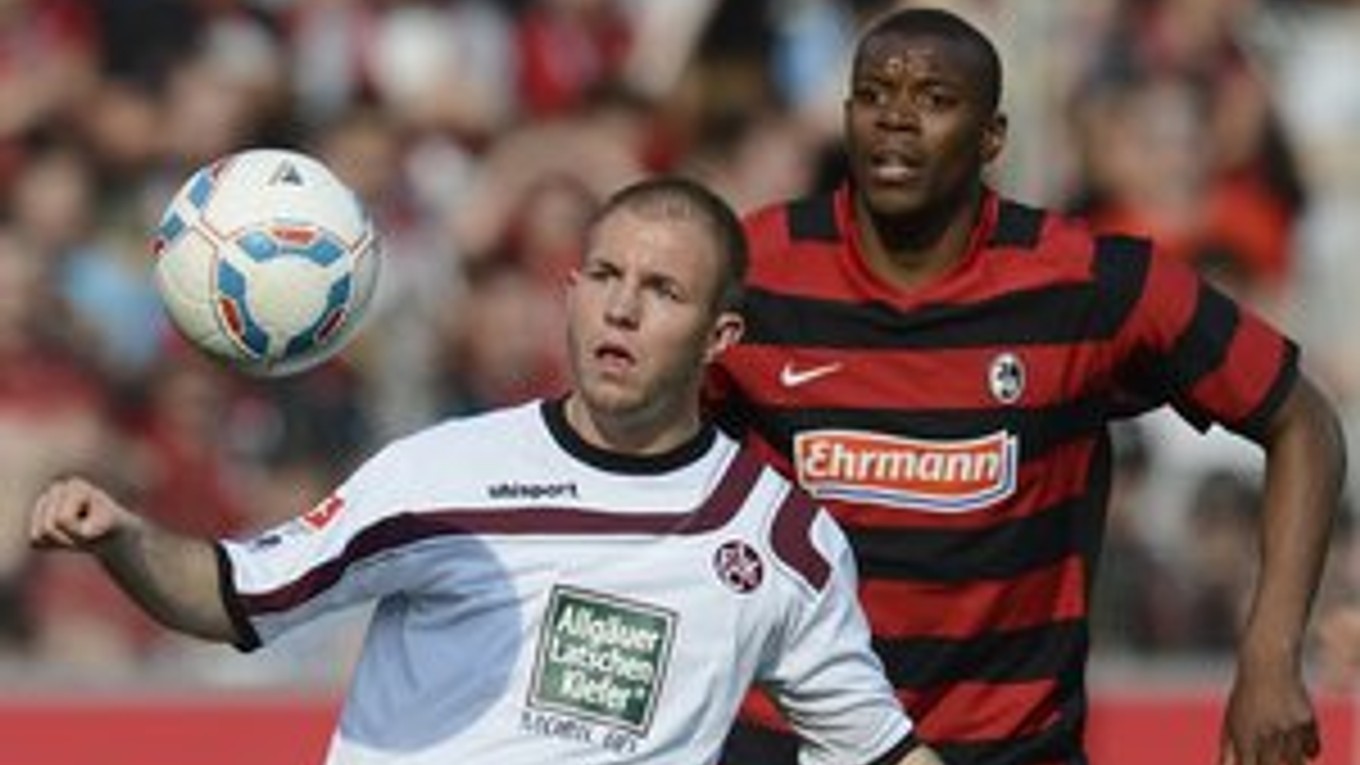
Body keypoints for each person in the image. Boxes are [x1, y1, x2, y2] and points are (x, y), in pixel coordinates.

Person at [28, 176, 946, 765]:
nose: (621, 309)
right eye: (604, 275)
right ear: (571, 290)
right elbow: (238, 596)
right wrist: (121, 536)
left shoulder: (779, 536)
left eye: (662, 291)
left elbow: (877, 750)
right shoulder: (444, 471)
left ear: (721, 337)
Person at [709, 8, 1348, 765]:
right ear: (847, 116)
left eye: (936, 99)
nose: (898, 119)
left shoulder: (1090, 282)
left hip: (1007, 747)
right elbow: (637, 454)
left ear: (992, 137)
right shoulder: (750, 268)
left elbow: (1301, 418)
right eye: (875, 94)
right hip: (783, 741)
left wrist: (1270, 658)